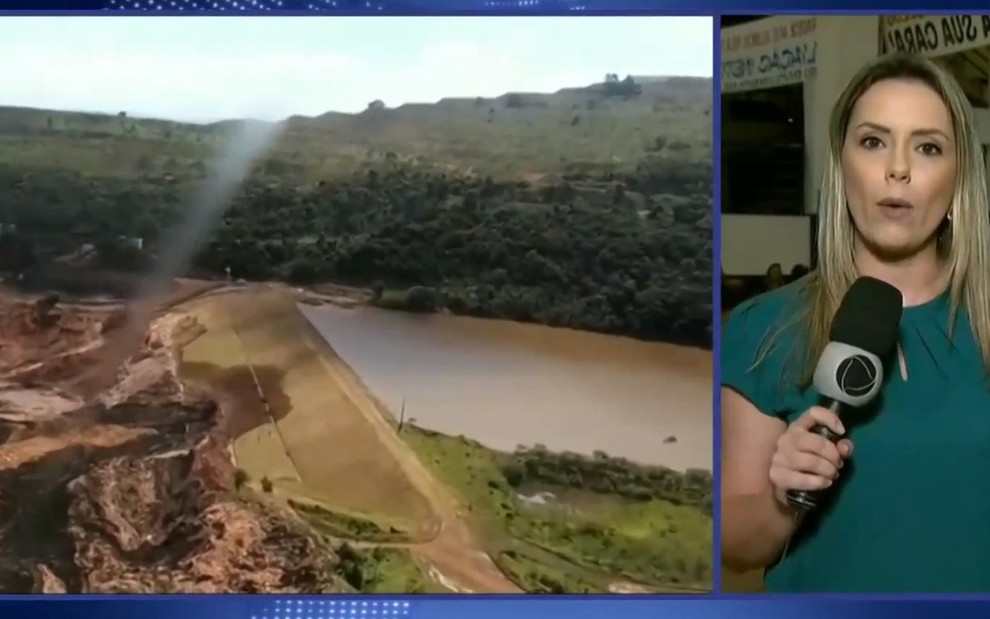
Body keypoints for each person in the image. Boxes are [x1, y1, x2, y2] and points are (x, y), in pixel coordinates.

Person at [721, 53, 990, 593]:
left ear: (959, 176)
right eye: (873, 141)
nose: (898, 168)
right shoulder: (763, 329)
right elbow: (736, 549)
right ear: (841, 166)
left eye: (928, 147)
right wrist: (783, 498)